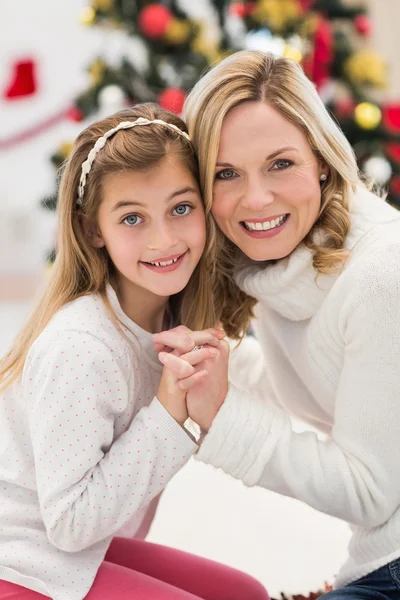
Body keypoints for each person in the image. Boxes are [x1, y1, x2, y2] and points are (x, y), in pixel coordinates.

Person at [156, 50, 400, 599]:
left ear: (321, 157)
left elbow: (370, 492)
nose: (257, 198)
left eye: (280, 163)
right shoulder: (280, 269)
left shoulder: (383, 273)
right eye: (225, 174)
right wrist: (208, 354)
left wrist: (221, 414)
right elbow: (316, 389)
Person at [0, 103, 269, 600]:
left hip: (80, 555)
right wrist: (170, 414)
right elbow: (70, 524)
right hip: (24, 568)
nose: (163, 238)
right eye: (132, 218)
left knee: (244, 593)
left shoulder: (167, 320)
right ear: (92, 230)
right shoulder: (81, 348)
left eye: (181, 208)